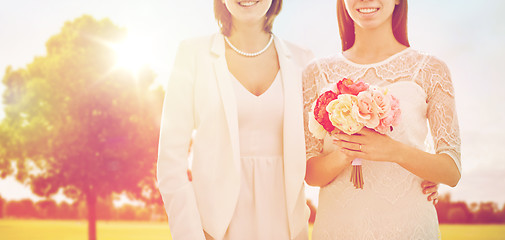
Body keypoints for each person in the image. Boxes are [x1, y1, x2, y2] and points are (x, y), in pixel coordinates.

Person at [303, 0, 461, 239]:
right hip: (339, 226)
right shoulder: (316, 73)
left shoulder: (430, 69)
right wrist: (347, 151)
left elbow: (451, 170)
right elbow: (310, 173)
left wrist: (392, 150)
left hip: (409, 224)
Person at [156, 0, 313, 239]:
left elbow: (317, 149)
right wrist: (192, 232)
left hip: (285, 225)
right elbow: (170, 160)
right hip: (215, 228)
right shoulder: (192, 53)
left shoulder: (303, 60)